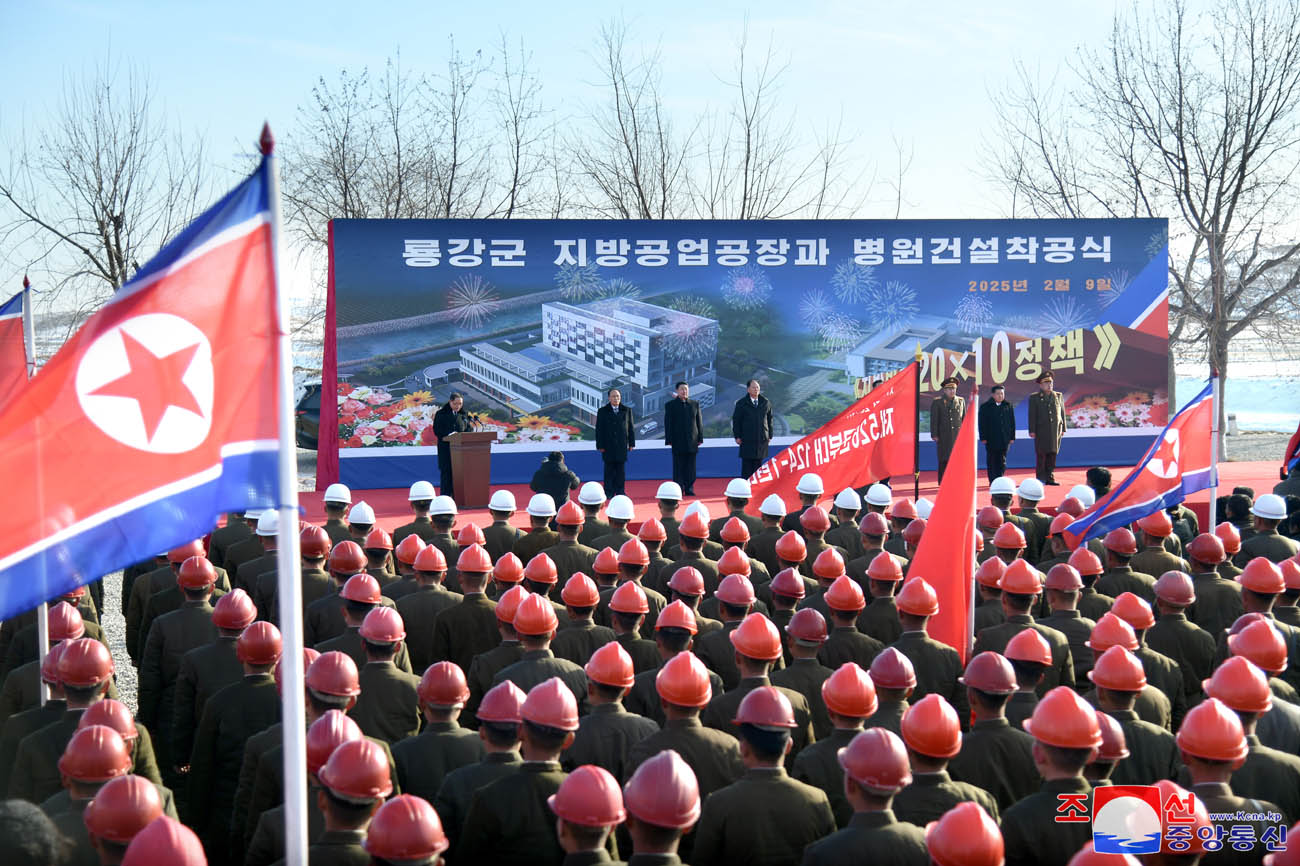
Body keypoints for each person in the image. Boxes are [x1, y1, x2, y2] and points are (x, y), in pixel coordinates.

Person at [664, 382, 703, 497]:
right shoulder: (670, 405)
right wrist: (669, 440)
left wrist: (700, 438)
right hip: (677, 441)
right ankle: (678, 489)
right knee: (678, 466)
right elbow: (668, 424)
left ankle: (689, 488)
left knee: (691, 467)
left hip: (692, 440)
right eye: (682, 389)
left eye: (686, 389)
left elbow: (699, 423)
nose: (684, 391)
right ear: (677, 390)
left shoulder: (695, 404)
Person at [1026, 373, 1067, 486]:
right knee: (1041, 455)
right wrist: (1032, 430)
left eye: (1051, 383)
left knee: (1052, 454)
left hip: (1055, 431)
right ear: (1040, 385)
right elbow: (1032, 415)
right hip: (1041, 430)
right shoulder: (1035, 397)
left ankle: (1050, 477)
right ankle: (1040, 478)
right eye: (1046, 383)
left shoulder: (1058, 396)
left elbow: (1062, 413)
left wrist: (1063, 428)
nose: (1049, 385)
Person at [432, 393, 473, 503]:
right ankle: (445, 499)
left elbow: (469, 429)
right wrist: (450, 435)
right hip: (446, 449)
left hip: (460, 450)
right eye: (455, 404)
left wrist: (464, 434)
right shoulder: (441, 414)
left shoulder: (464, 414)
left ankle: (459, 498)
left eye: (460, 404)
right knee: (447, 473)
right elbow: (437, 430)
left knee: (460, 474)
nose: (458, 406)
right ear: (450, 402)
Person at [595, 388, 635, 498]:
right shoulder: (602, 411)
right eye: (613, 396)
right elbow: (599, 430)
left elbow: (630, 428)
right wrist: (600, 445)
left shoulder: (626, 410)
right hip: (607, 446)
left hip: (622, 445)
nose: (616, 398)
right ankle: (608, 492)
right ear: (609, 398)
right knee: (609, 470)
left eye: (618, 396)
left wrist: (631, 443)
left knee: (620, 471)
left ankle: (620, 491)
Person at [732, 379, 773, 478]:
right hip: (747, 439)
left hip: (761, 439)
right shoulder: (741, 403)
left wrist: (770, 435)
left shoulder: (765, 402)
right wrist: (737, 436)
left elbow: (769, 419)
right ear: (748, 389)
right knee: (747, 465)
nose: (756, 389)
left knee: (758, 466)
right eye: (753, 387)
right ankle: (746, 488)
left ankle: (757, 489)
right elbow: (736, 421)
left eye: (758, 387)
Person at [929, 377, 965, 482]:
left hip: (957, 436)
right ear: (944, 390)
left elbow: (964, 419)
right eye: (949, 389)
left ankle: (956, 480)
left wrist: (965, 434)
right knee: (944, 459)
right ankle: (943, 481)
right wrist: (934, 434)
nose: (952, 391)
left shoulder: (961, 401)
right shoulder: (938, 402)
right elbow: (934, 420)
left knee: (957, 460)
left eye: (954, 388)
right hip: (944, 436)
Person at [977, 385, 1015, 482]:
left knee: (1002, 461)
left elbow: (1012, 422)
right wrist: (983, 437)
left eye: (1002, 393)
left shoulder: (1008, 405)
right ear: (993, 395)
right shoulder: (985, 407)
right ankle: (992, 480)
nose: (1000, 396)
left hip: (1004, 438)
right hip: (991, 438)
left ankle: (1000, 480)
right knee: (992, 460)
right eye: (998, 394)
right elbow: (982, 423)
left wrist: (1012, 437)